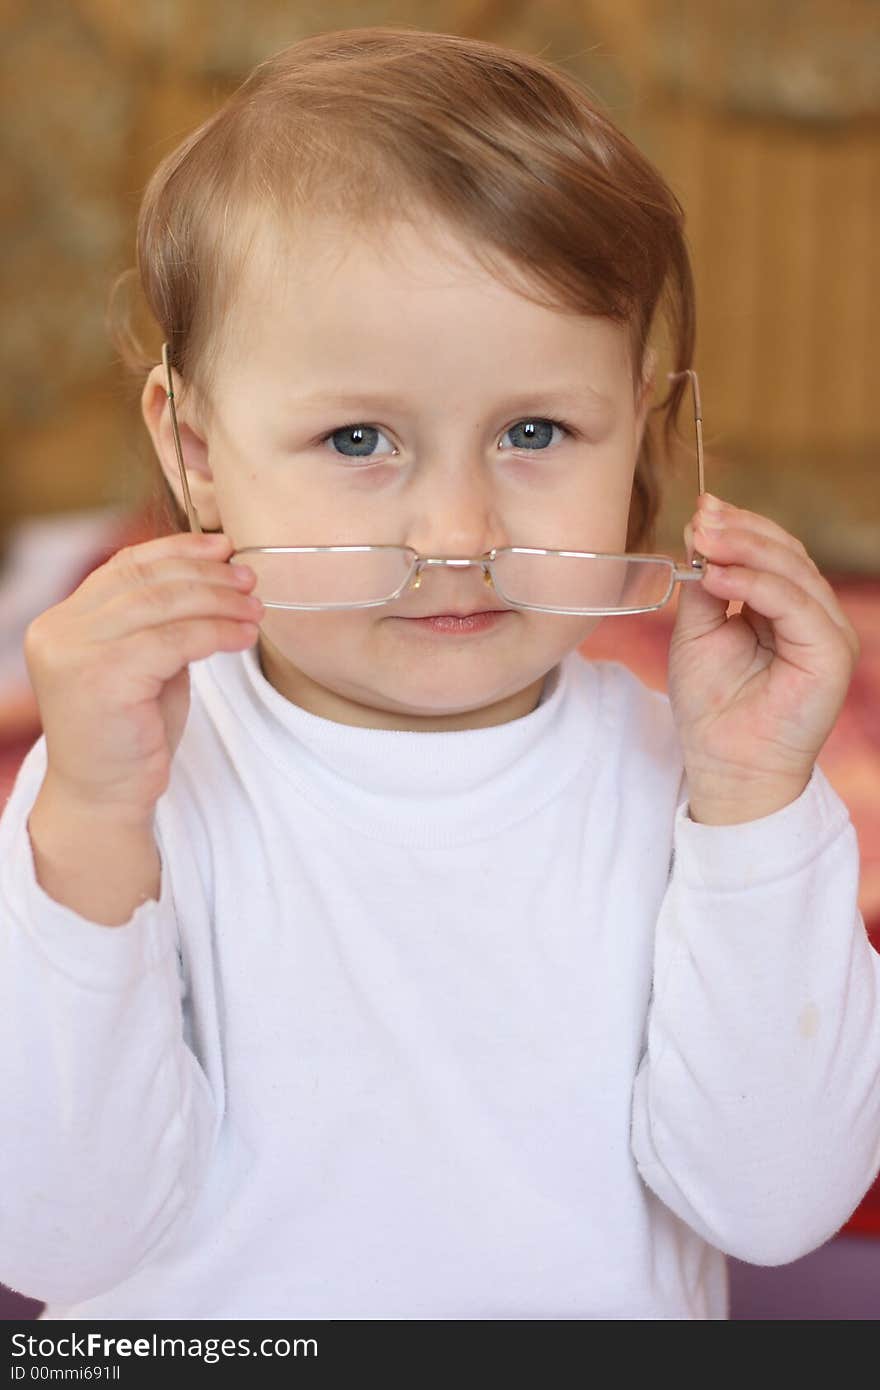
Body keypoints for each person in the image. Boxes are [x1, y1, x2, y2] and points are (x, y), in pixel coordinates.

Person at [1, 26, 878, 1322]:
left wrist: (756, 800)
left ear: (642, 430)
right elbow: (53, 1241)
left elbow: (778, 1204)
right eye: (358, 437)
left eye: (537, 431)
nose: (459, 536)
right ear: (195, 451)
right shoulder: (115, 789)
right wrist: (86, 824)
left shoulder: (694, 786)